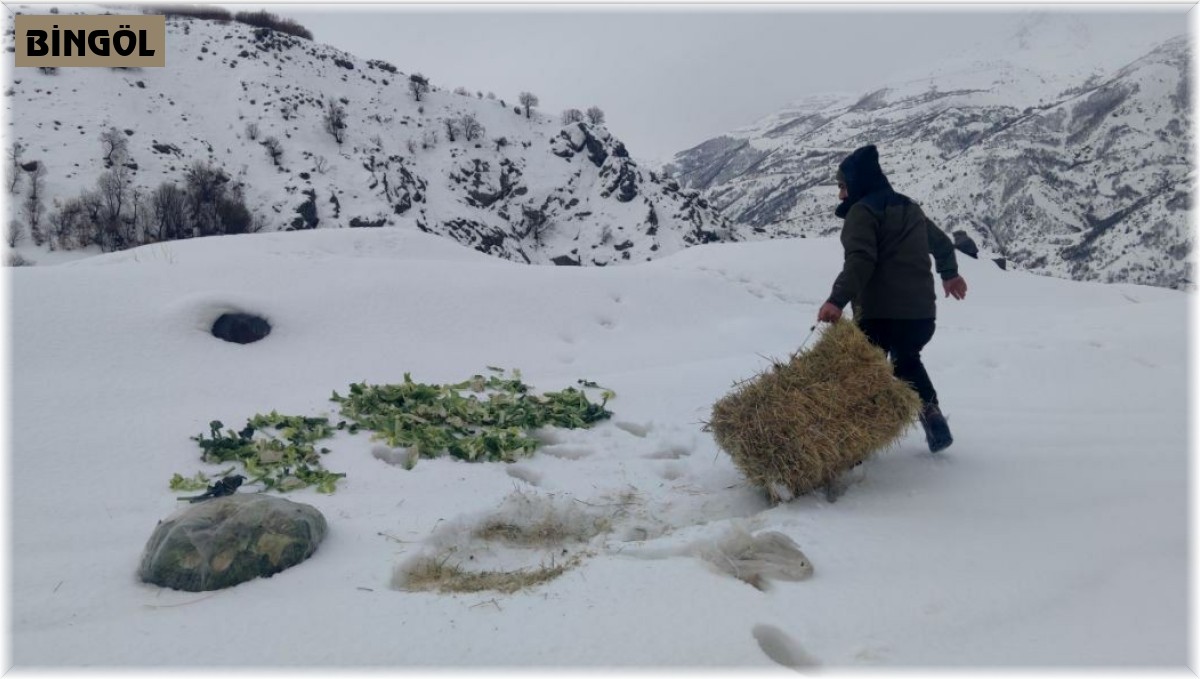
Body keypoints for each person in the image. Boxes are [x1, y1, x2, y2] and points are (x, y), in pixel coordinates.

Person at [816, 145, 967, 453]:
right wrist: (950, 274)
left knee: (863, 371)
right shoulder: (910, 207)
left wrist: (836, 300)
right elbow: (942, 244)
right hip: (921, 315)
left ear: (857, 183)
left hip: (879, 314)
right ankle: (931, 414)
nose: (841, 195)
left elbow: (861, 260)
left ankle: (854, 440)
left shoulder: (862, 212)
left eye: (842, 186)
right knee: (906, 360)